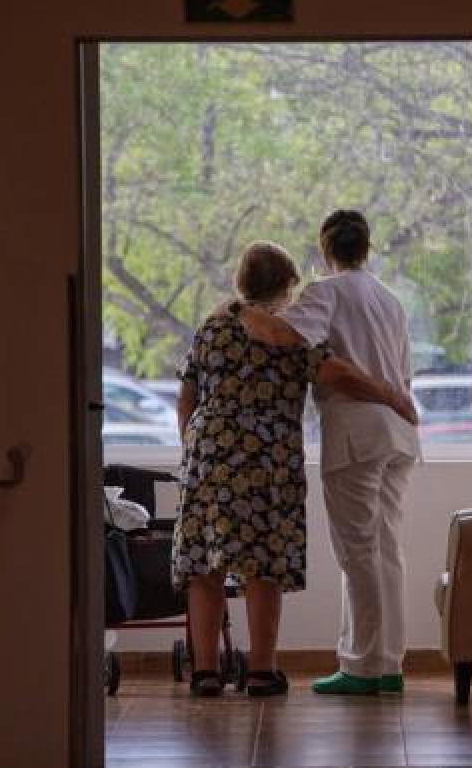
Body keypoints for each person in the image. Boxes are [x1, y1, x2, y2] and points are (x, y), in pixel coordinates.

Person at [174, 241, 416, 698]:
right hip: (266, 461)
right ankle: (262, 671)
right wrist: (394, 397)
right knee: (262, 565)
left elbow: (186, 396)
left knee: (204, 568)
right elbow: (340, 375)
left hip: (207, 456)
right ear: (287, 286)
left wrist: (194, 448)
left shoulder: (211, 326)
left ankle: (206, 672)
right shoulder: (289, 335)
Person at [280, 210, 421, 696]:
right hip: (399, 434)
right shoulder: (389, 299)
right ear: (366, 247)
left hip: (357, 433)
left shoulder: (326, 292)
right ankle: (387, 664)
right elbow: (403, 372)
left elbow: (290, 337)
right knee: (385, 549)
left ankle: (362, 667)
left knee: (359, 551)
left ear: (326, 250)